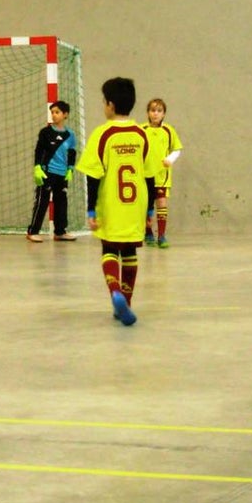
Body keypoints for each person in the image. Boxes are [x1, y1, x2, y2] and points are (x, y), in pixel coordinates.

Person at [76, 77, 156, 326]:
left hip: (111, 204)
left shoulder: (102, 134)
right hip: (136, 205)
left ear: (110, 105)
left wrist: (90, 209)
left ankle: (115, 294)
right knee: (130, 251)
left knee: (110, 250)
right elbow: (150, 175)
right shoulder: (142, 134)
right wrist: (150, 208)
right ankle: (127, 303)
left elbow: (92, 175)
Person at [26, 100, 78, 242]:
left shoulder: (70, 135)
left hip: (62, 174)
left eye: (57, 112)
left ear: (65, 114)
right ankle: (33, 231)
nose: (54, 115)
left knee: (61, 202)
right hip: (47, 172)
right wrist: (37, 167)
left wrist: (70, 169)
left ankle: (60, 232)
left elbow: (72, 153)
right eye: (52, 112)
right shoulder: (46, 132)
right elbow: (39, 150)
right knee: (42, 201)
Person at [143, 98, 183, 248]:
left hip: (162, 175)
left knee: (161, 203)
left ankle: (161, 235)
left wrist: (170, 159)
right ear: (148, 112)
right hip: (145, 174)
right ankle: (148, 232)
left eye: (159, 111)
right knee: (147, 206)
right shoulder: (142, 130)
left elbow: (177, 149)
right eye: (153, 110)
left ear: (164, 114)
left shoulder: (168, 131)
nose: (155, 114)